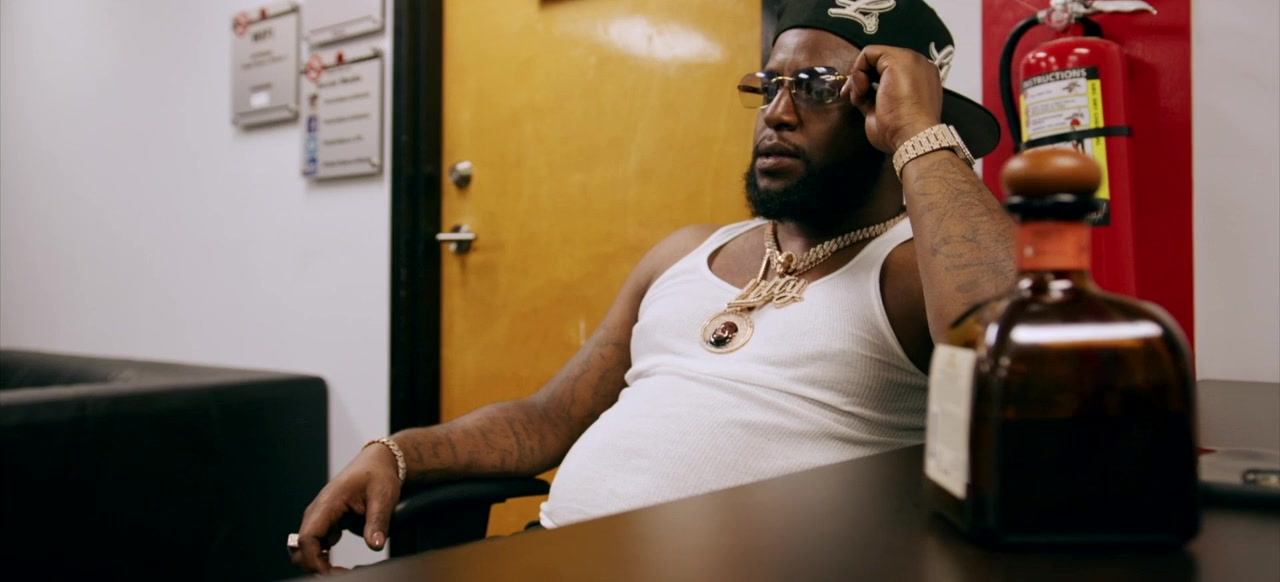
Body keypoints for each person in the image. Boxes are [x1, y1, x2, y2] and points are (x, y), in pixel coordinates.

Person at [290, 0, 1015, 574]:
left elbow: (1004, 334)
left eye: (820, 89)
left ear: (887, 108)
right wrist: (399, 452)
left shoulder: (913, 272)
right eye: (769, 86)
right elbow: (547, 418)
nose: (777, 113)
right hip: (549, 557)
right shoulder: (686, 252)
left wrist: (919, 131)